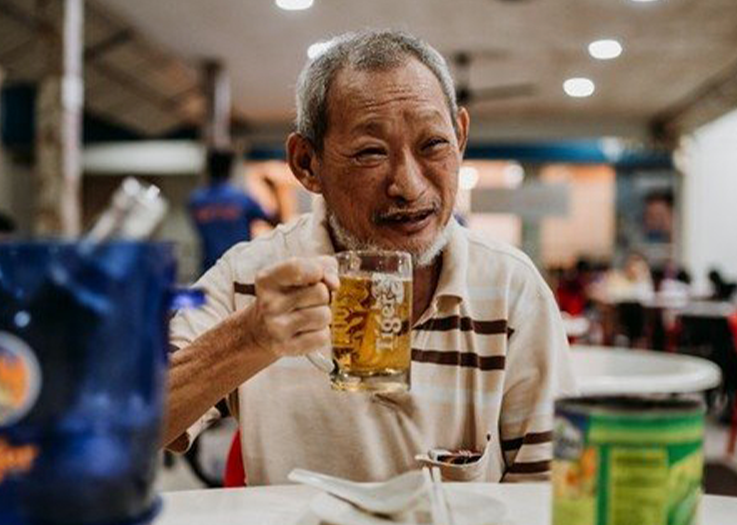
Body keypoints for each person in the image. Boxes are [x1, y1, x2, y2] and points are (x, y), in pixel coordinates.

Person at [164, 30, 576, 485]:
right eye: (370, 153)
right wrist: (250, 336)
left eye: (432, 145)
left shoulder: (510, 289)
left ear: (460, 136)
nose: (409, 186)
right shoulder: (251, 278)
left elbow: (552, 493)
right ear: (306, 164)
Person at [188, 150, 276, 272]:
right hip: (239, 268)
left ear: (208, 169)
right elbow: (273, 220)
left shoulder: (196, 200)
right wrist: (272, 188)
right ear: (229, 169)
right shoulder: (242, 198)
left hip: (209, 269)